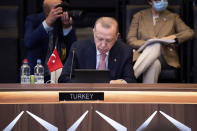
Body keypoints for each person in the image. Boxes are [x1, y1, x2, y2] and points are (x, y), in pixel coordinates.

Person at [127, 0, 194, 83]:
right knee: (155, 64)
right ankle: (148, 94)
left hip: (165, 56)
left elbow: (189, 32)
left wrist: (174, 37)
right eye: (158, 0)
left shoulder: (173, 17)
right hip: (143, 54)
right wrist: (148, 43)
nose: (162, 1)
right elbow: (131, 39)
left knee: (157, 44)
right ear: (150, 2)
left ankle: (129, 77)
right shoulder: (139, 16)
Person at [58, 17, 136, 84]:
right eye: (100, 39)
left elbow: (130, 80)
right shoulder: (78, 48)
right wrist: (88, 85)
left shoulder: (125, 51)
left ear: (116, 36)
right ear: (94, 33)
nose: (103, 45)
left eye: (109, 40)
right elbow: (64, 79)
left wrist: (113, 83)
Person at [24, 0, 76, 81]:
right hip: (37, 74)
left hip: (59, 75)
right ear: (47, 12)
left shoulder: (64, 20)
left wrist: (67, 28)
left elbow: (73, 49)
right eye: (57, 8)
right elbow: (28, 43)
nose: (61, 11)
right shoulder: (33, 20)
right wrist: (47, 23)